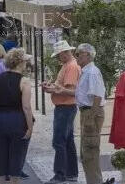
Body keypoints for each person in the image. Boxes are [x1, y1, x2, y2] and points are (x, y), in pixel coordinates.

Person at [0, 48, 34, 184]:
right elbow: (26, 107)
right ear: (20, 63)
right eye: (25, 61)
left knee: (0, 155)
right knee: (16, 156)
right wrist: (30, 127)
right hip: (16, 118)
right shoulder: (24, 81)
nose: (26, 63)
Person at [42, 40, 81, 184]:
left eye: (59, 55)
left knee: (59, 141)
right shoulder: (68, 65)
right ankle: (71, 173)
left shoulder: (71, 67)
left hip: (65, 107)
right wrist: (51, 87)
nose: (58, 58)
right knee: (68, 141)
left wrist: (51, 89)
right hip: (65, 107)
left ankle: (60, 174)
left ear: (65, 53)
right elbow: (62, 88)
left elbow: (69, 91)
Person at [73, 44, 106, 184]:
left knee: (90, 153)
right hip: (87, 111)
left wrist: (90, 118)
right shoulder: (86, 71)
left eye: (78, 53)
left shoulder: (91, 72)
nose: (76, 56)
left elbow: (97, 96)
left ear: (87, 54)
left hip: (91, 112)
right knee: (87, 154)